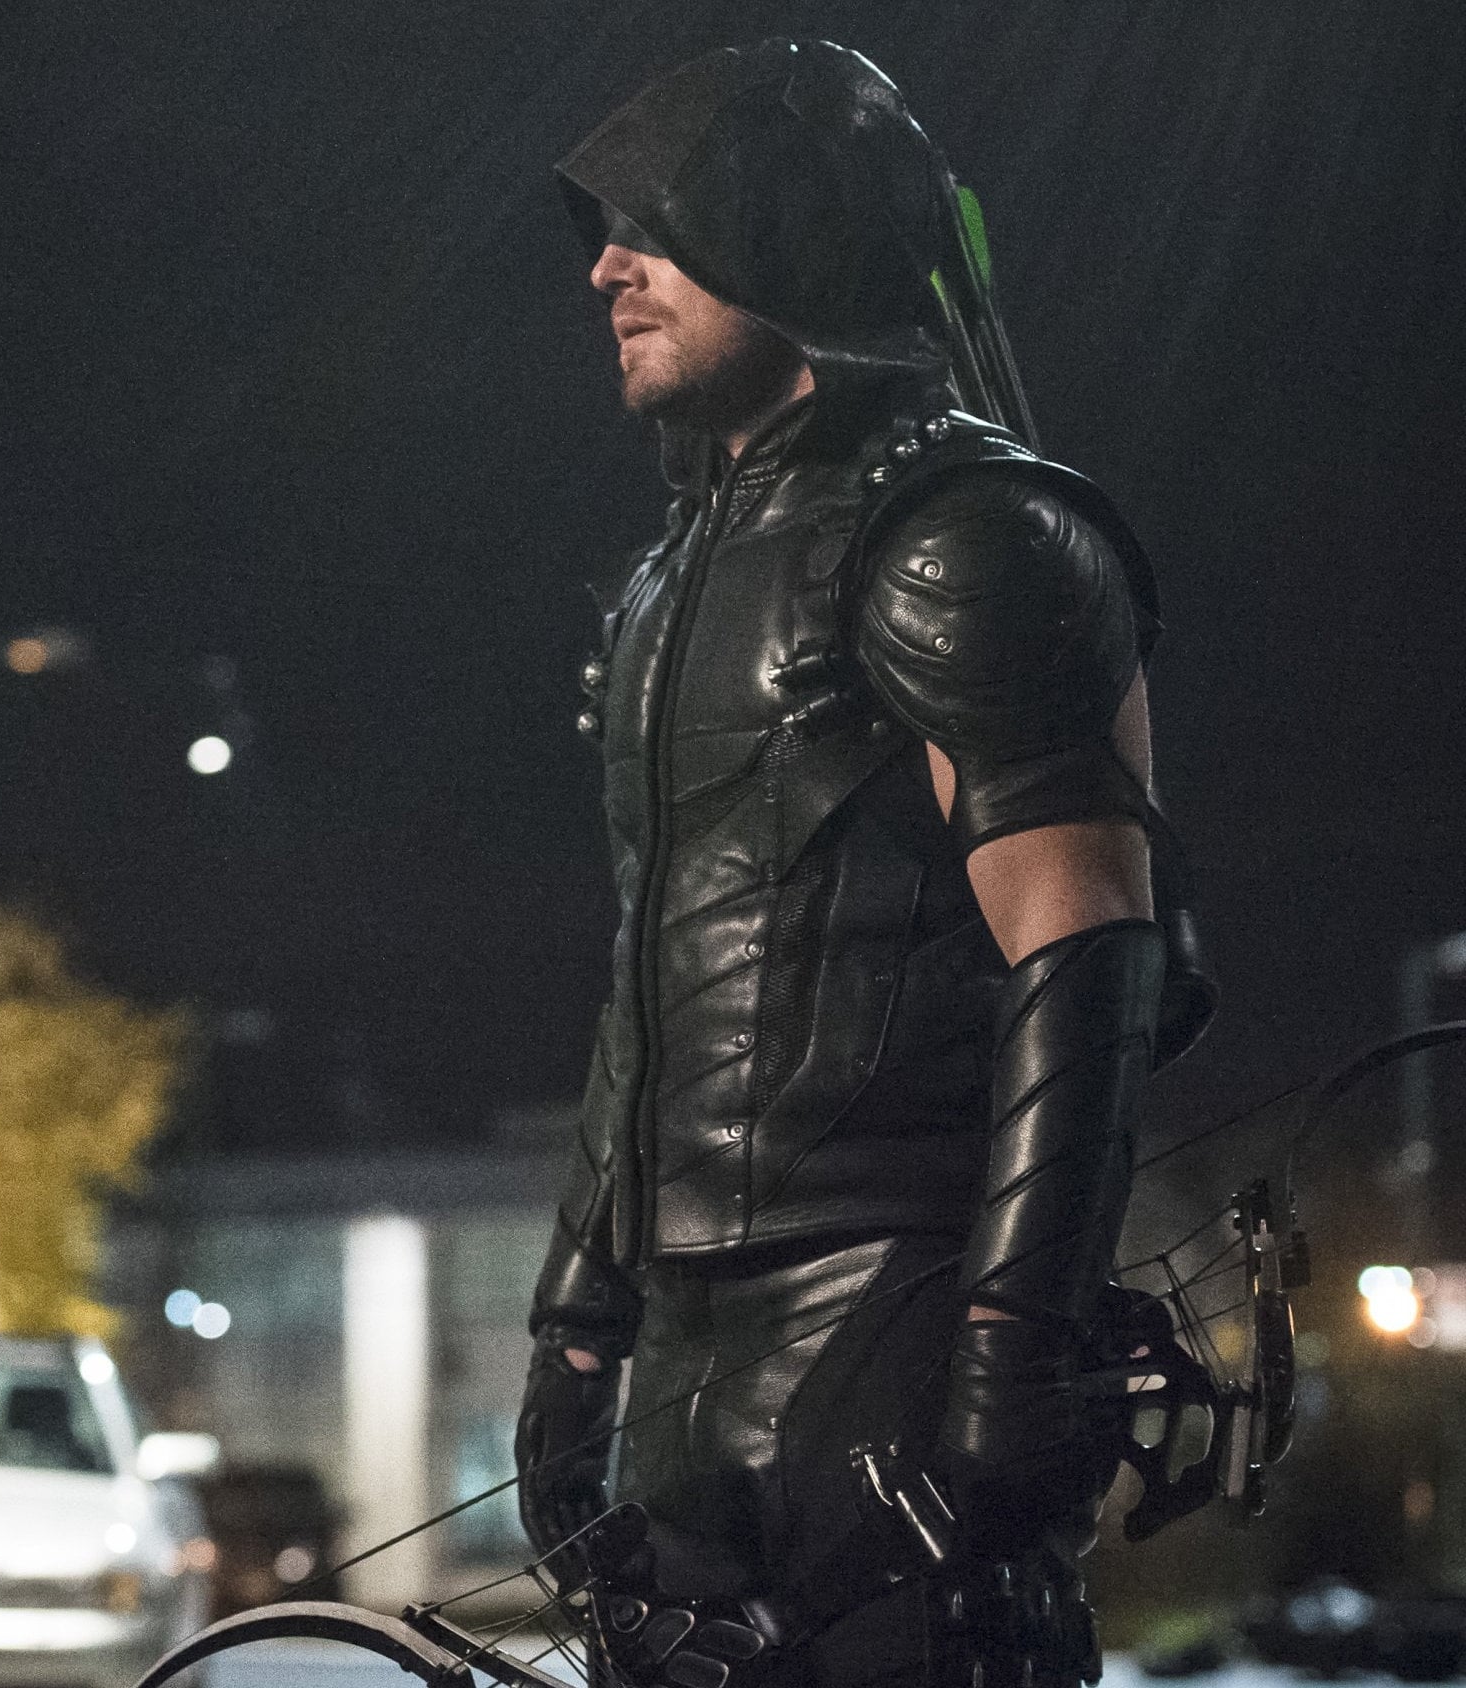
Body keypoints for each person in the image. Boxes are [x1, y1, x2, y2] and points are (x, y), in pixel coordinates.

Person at [513, 40, 1213, 1687]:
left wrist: (1012, 1342)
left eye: (659, 226)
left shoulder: (968, 532)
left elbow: (1086, 947)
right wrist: (578, 1320)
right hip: (689, 1366)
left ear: (794, 232)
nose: (609, 268)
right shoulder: (675, 577)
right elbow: (656, 974)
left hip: (896, 1336)